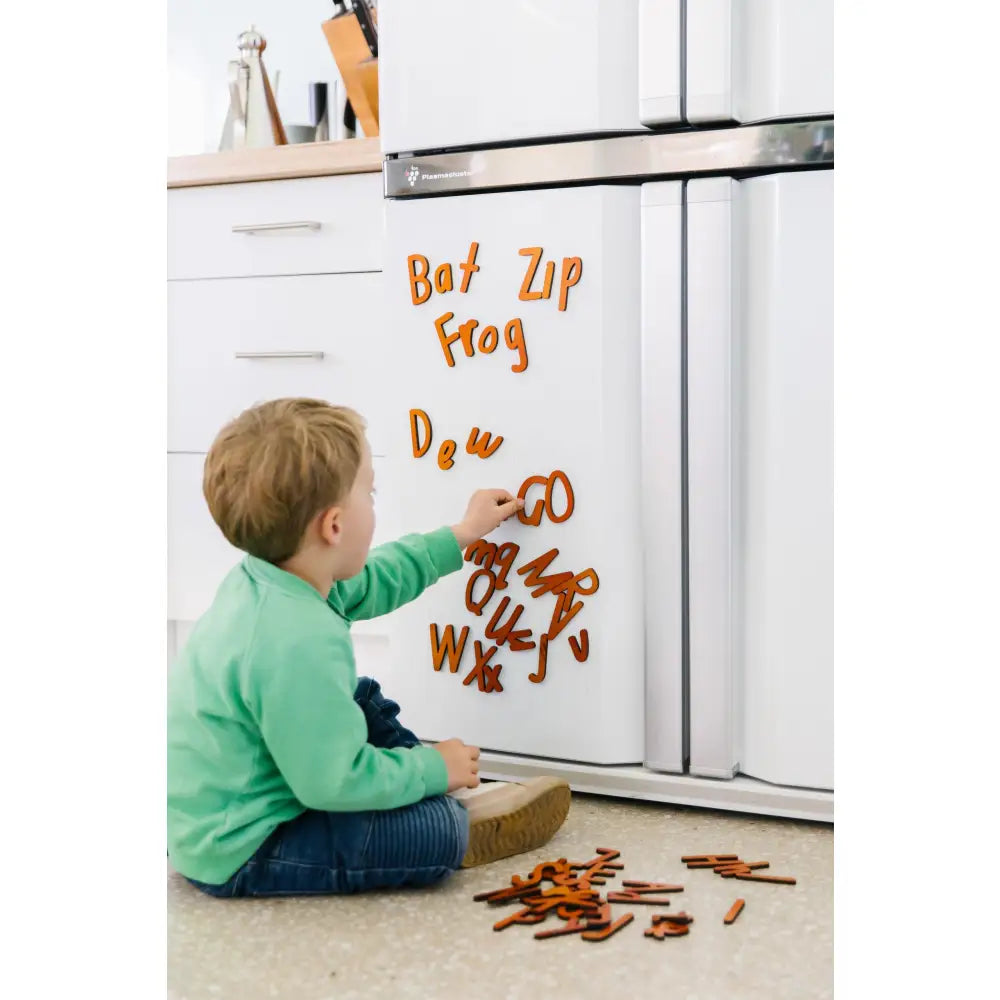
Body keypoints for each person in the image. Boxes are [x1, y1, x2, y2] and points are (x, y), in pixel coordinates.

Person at [167, 397, 570, 897]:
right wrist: (430, 768)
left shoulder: (276, 574)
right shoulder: (295, 639)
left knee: (358, 695)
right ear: (334, 526)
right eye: (371, 494)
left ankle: (417, 788)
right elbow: (330, 783)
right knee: (433, 833)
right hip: (245, 846)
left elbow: (376, 576)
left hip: (253, 792)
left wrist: (462, 536)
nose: (375, 504)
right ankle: (449, 821)